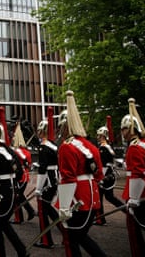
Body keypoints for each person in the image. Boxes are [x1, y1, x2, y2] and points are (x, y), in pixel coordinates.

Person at [57, 91, 106, 256]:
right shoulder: (91, 146)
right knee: (80, 237)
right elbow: (99, 174)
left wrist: (64, 206)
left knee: (72, 238)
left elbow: (68, 178)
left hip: (77, 198)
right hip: (93, 198)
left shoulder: (66, 146)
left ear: (65, 126)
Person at [0, 106, 28, 257]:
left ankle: (10, 252)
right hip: (12, 190)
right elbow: (20, 172)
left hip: (2, 192)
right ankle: (19, 250)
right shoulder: (10, 152)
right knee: (3, 224)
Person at [120, 98, 145, 257]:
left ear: (131, 129)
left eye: (124, 129)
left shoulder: (135, 147)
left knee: (135, 225)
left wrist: (134, 198)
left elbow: (138, 173)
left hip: (141, 191)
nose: (122, 132)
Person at [33, 106, 62, 248]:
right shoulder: (53, 145)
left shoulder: (44, 147)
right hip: (54, 178)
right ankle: (64, 230)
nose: (38, 133)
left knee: (43, 210)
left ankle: (46, 240)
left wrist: (38, 188)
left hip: (48, 181)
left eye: (39, 131)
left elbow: (43, 169)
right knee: (48, 208)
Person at [94, 123, 124, 225]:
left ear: (103, 136)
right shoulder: (109, 146)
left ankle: (100, 219)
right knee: (109, 197)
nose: (97, 137)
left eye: (99, 135)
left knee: (99, 197)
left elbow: (102, 164)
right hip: (110, 174)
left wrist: (100, 177)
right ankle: (126, 211)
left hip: (105, 174)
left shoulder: (103, 148)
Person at [11, 122, 36, 224]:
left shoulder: (17, 151)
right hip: (25, 175)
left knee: (17, 196)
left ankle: (19, 218)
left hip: (20, 176)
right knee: (20, 196)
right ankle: (30, 211)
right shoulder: (26, 152)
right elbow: (29, 164)